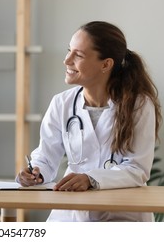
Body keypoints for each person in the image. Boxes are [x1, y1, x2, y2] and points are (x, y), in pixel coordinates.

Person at [16, 21, 162, 222]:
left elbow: (137, 169)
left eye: (79, 55)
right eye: (69, 51)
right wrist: (36, 173)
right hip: (70, 215)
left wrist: (91, 179)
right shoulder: (62, 103)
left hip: (122, 215)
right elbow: (46, 156)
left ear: (106, 64)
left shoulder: (138, 104)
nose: (67, 60)